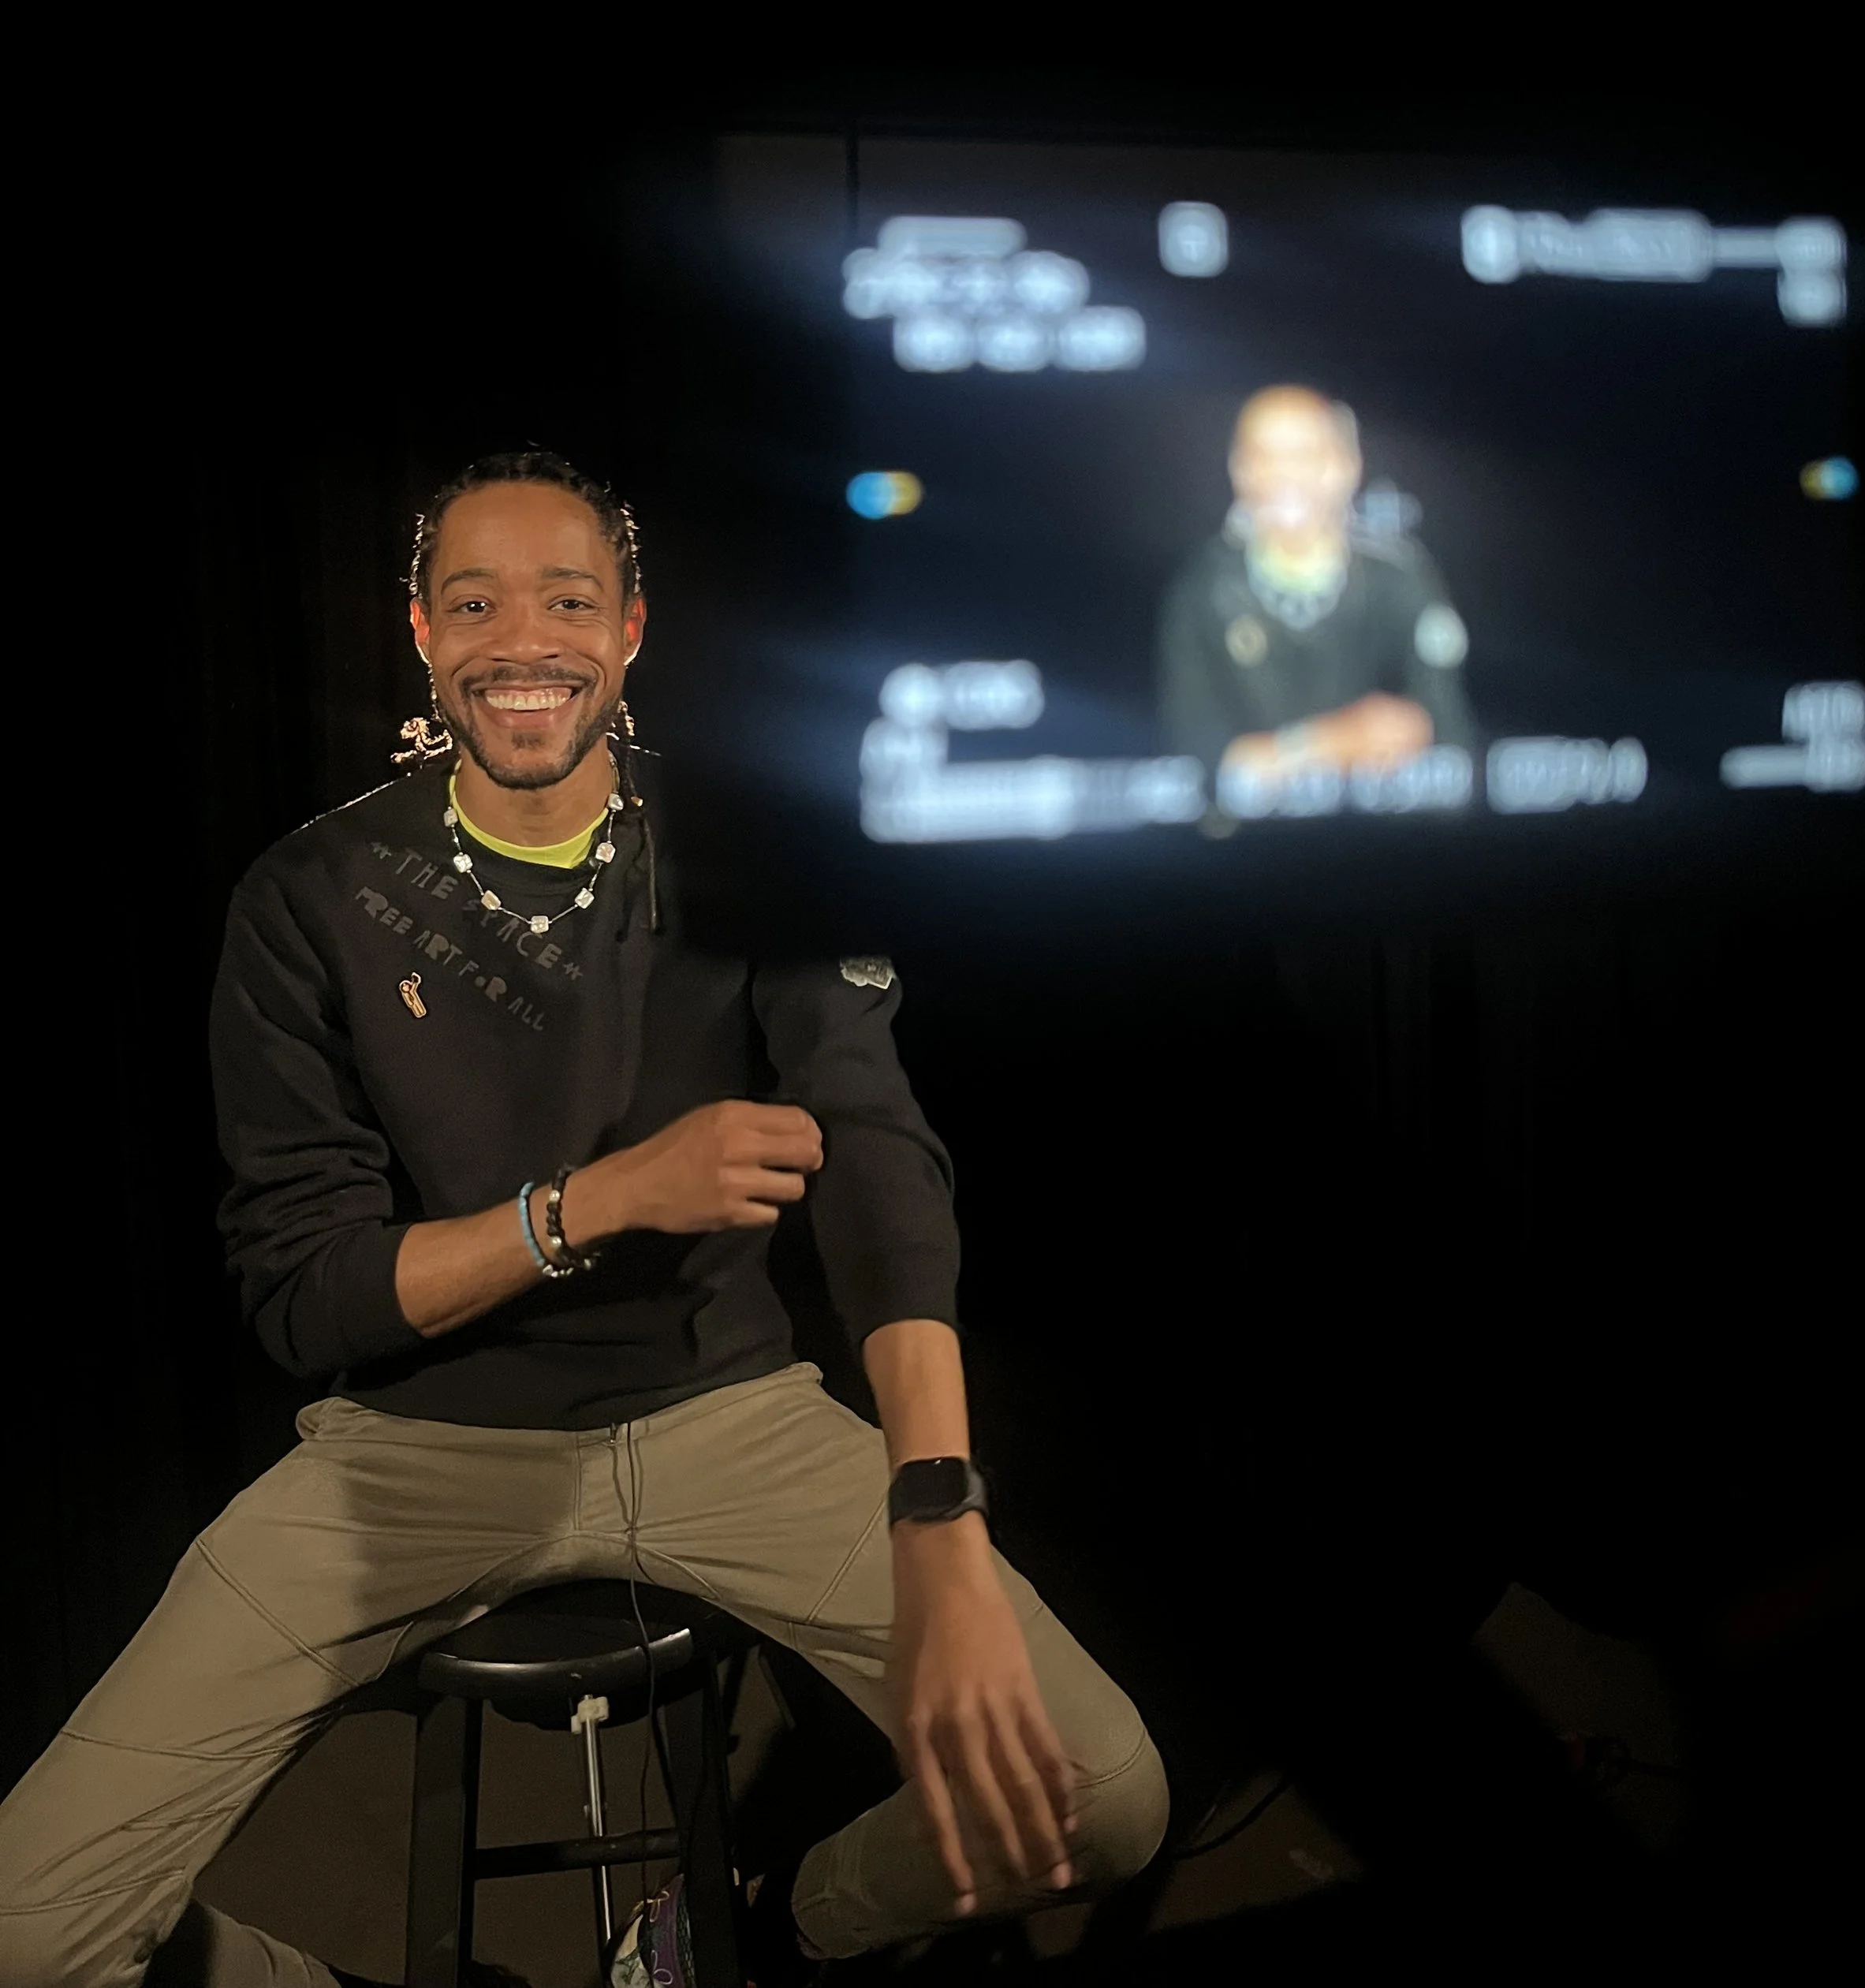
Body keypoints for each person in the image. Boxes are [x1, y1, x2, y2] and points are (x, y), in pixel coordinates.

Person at [0, 451, 1166, 1987]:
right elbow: (305, 1294)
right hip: (412, 1446)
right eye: (475, 602)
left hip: (726, 1412)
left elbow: (883, 1165)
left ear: (629, 628)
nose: (523, 642)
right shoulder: (309, 894)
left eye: (567, 599)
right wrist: (597, 1201)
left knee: (1102, 1794)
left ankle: (765, 1926)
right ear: (420, 631)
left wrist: (937, 1503)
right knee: (27, 1925)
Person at [1158, 386, 1475, 801]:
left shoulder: (1399, 578)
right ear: (1239, 470)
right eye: (1264, 457)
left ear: (1346, 465)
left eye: (1305, 456)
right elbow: (1199, 763)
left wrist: (1275, 759)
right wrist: (1329, 744)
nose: (1284, 477)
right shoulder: (1203, 591)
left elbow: (1446, 743)